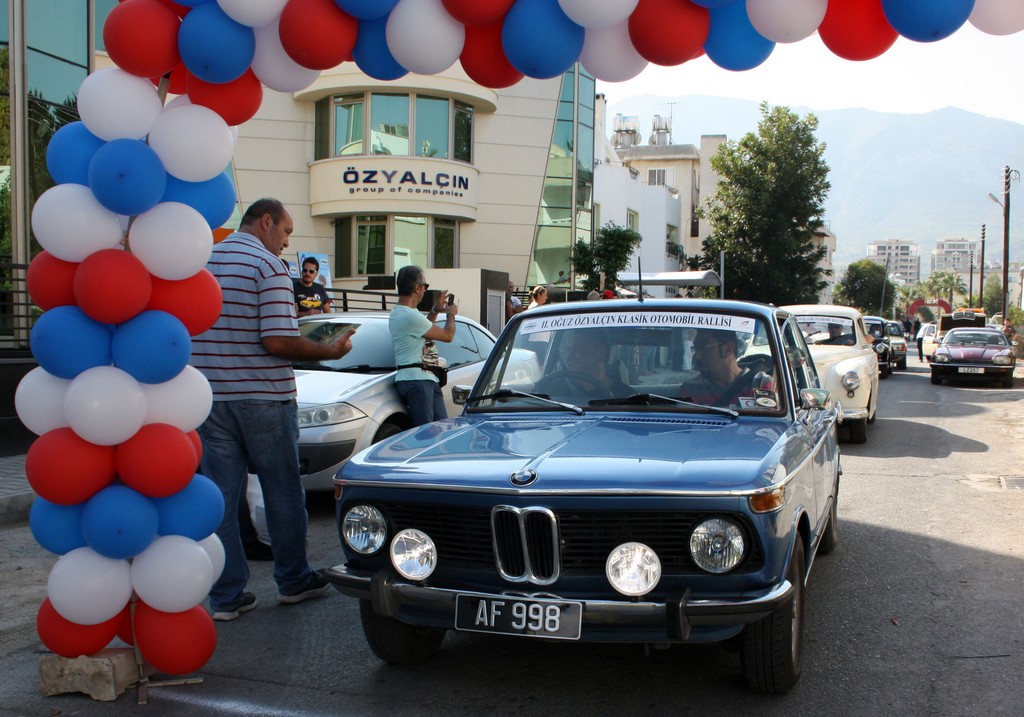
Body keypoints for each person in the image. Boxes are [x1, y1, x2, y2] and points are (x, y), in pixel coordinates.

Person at [191, 198, 355, 622]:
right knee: (283, 493)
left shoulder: (200, 260)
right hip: (264, 398)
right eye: (285, 232)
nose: (286, 242)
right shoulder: (267, 267)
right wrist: (329, 350)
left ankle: (226, 597)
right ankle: (294, 580)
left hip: (209, 399)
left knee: (221, 502)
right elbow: (277, 340)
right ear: (266, 221)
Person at [391, 265, 459, 427]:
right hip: (417, 381)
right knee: (427, 432)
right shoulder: (409, 315)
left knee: (441, 429)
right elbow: (448, 335)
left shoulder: (402, 313)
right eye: (425, 286)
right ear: (417, 288)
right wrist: (451, 314)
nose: (425, 290)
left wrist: (435, 310)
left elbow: (424, 329)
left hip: (424, 379)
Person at [679, 329, 755, 407]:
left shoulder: (758, 384)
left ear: (728, 349)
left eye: (704, 347)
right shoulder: (691, 389)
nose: (696, 357)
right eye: (695, 348)